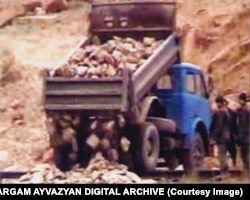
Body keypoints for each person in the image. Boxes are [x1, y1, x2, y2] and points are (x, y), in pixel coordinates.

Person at [210, 95, 231, 174]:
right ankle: (226, 171)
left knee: (221, 155)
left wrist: (213, 136)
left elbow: (218, 126)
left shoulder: (220, 113)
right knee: (224, 154)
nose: (217, 104)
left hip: (221, 137)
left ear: (220, 103)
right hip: (226, 136)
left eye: (218, 103)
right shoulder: (227, 112)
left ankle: (224, 172)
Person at [235, 92, 250, 174]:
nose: (239, 101)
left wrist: (239, 139)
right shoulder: (244, 110)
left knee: (245, 155)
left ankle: (247, 172)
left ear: (243, 100)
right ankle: (246, 172)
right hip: (246, 137)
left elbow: (243, 127)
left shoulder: (244, 111)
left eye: (240, 100)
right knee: (245, 155)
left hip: (244, 138)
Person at [223, 98, 237, 167]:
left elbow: (235, 124)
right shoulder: (218, 112)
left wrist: (235, 134)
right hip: (223, 136)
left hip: (231, 135)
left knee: (233, 151)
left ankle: (234, 163)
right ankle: (225, 167)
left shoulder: (232, 112)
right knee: (223, 152)